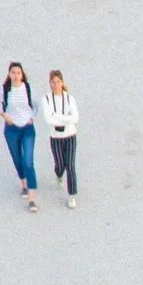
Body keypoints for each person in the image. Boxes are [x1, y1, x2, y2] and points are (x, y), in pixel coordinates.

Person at [0, 62, 39, 210]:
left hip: (27, 128)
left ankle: (32, 199)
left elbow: (36, 105)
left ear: (22, 75)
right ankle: (24, 184)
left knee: (28, 161)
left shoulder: (27, 88)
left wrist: (32, 117)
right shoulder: (4, 90)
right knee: (17, 158)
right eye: (13, 72)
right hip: (11, 129)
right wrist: (4, 115)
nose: (16, 75)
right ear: (9, 74)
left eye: (18, 73)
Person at [43, 70, 79, 207]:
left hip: (70, 136)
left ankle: (72, 195)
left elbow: (74, 118)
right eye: (53, 82)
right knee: (60, 164)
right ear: (50, 83)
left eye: (58, 82)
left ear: (62, 82)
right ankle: (58, 174)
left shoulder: (70, 99)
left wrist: (57, 116)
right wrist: (65, 118)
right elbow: (48, 119)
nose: (56, 84)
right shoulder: (47, 99)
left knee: (70, 165)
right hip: (55, 137)